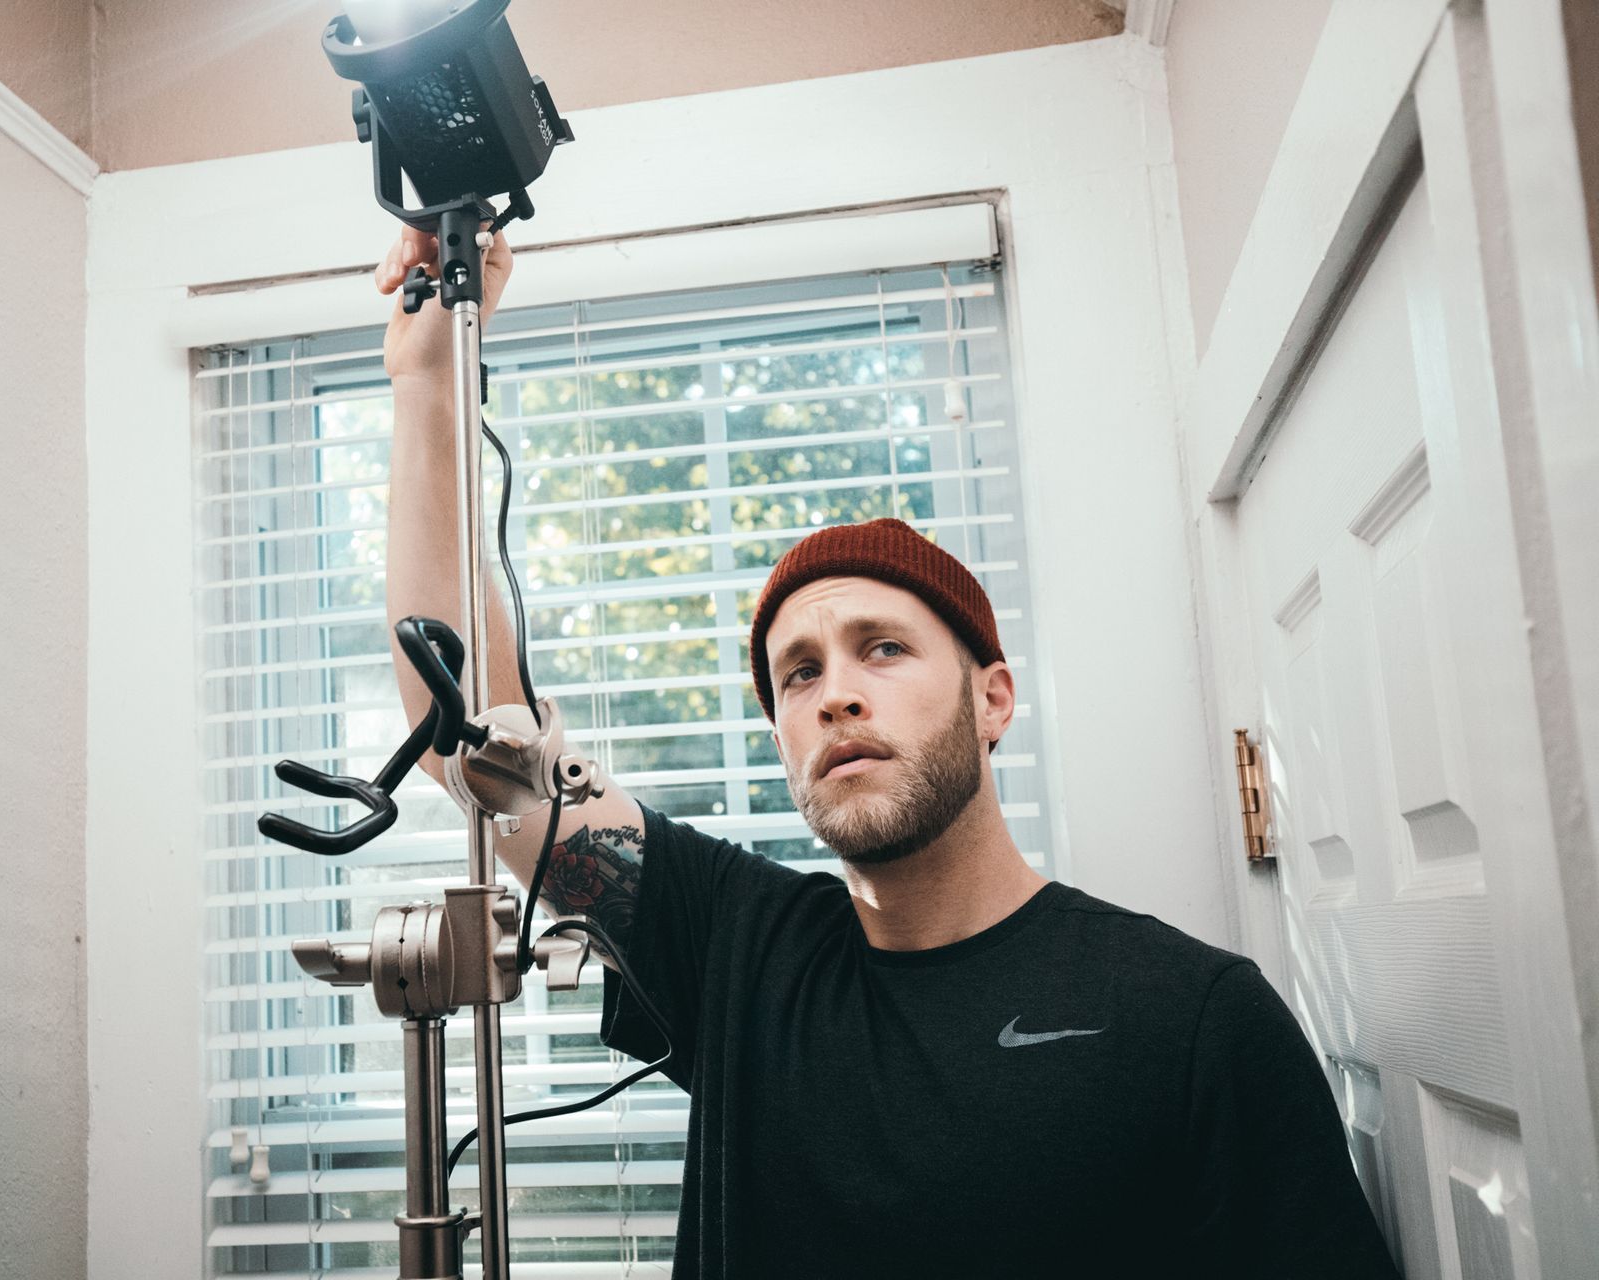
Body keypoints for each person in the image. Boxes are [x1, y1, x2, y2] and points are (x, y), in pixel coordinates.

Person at [375, 226, 1401, 1278]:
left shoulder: (1191, 1016)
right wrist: (423, 384)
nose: (837, 693)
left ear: (992, 696)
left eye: (883, 647)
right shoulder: (735, 947)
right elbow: (473, 735)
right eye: (800, 673)